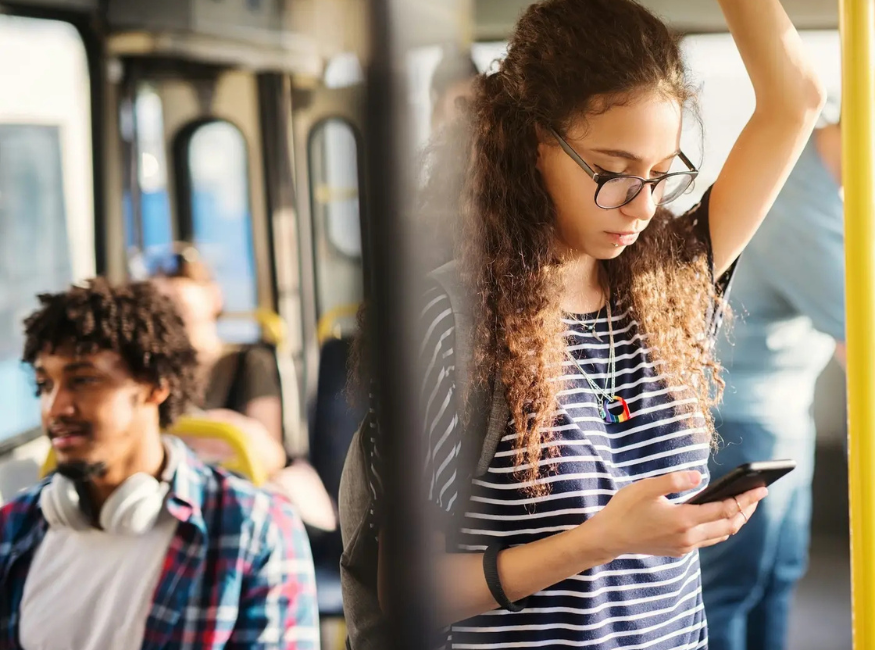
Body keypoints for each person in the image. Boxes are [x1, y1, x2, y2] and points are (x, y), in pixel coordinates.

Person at [337, 0, 826, 648]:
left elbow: (795, 99)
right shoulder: (451, 319)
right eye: (613, 171)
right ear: (533, 142)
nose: (643, 206)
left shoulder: (670, 283)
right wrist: (602, 541)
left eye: (659, 174)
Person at [698, 58, 875, 650]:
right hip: (738, 419)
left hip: (779, 414)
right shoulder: (808, 213)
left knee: (774, 581)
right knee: (729, 592)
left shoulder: (827, 177)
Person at [0, 279, 318, 649]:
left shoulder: (252, 528)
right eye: (45, 384)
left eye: (83, 380)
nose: (55, 408)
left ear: (154, 385)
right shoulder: (15, 528)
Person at [152, 247, 337, 532]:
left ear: (214, 298)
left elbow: (267, 451)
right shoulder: (155, 376)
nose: (172, 315)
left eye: (181, 308)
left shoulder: (248, 363)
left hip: (242, 491)